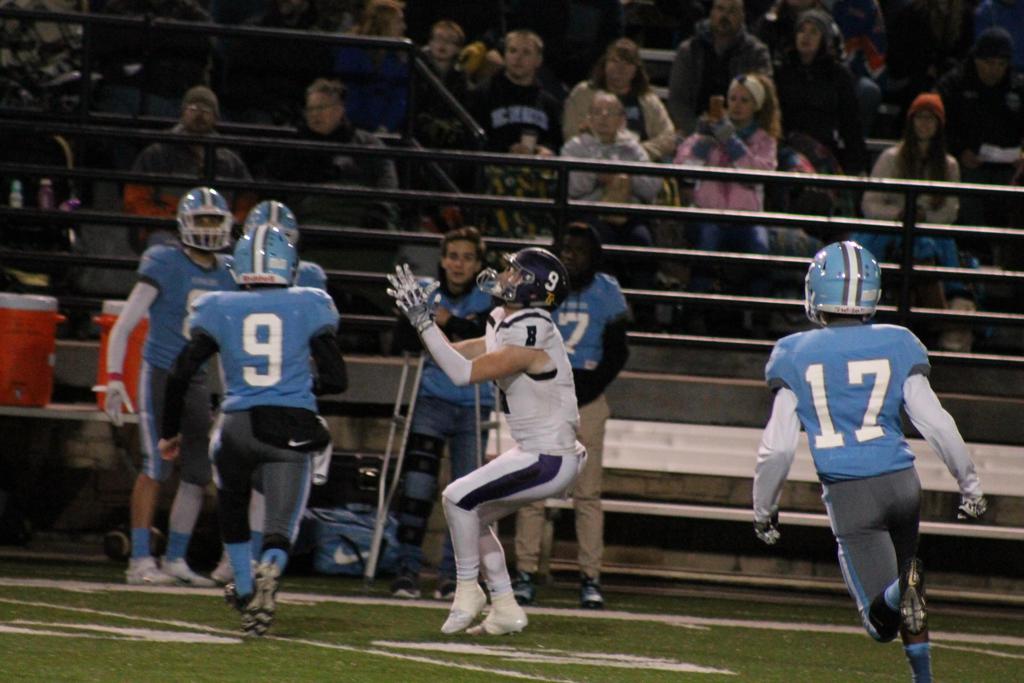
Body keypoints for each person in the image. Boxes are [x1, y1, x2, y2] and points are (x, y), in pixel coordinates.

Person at [752, 240, 988, 683]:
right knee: (908, 593)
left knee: (881, 621)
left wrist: (764, 510)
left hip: (852, 493)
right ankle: (923, 677)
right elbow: (936, 423)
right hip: (903, 483)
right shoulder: (898, 342)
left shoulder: (794, 352)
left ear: (816, 292)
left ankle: (904, 587)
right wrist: (970, 485)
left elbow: (777, 447)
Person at [158, 225, 347, 636]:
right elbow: (337, 379)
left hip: (234, 426)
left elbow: (180, 373)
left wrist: (169, 432)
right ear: (289, 266)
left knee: (232, 506)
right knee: (281, 525)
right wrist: (300, 387)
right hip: (289, 426)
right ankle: (270, 569)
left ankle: (243, 587)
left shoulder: (218, 306)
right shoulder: (310, 303)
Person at [385, 247, 585, 636]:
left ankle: (467, 589)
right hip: (536, 451)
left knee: (456, 498)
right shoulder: (505, 317)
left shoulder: (533, 328)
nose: (505, 275)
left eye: (516, 272)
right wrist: (424, 325)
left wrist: (425, 323)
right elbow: (458, 354)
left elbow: (462, 374)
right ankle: (505, 606)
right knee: (470, 514)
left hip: (549, 456)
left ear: (533, 289)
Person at [103, 187, 237, 587]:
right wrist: (113, 378)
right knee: (155, 466)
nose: (208, 228)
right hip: (161, 373)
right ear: (184, 224)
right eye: (202, 220)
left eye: (215, 220)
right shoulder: (164, 261)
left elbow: (228, 340)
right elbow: (125, 324)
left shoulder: (229, 271)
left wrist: (232, 391)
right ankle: (139, 560)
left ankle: (176, 558)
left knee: (197, 471)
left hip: (196, 380)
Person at [208, 199, 328, 585]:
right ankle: (264, 564)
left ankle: (243, 572)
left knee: (236, 487)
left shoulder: (228, 293)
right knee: (282, 495)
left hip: (245, 405)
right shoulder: (309, 293)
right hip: (285, 404)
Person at [512, 222, 629, 609]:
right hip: (543, 398)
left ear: (593, 256)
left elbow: (618, 351)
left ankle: (590, 577)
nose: (570, 256)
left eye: (578, 250)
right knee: (532, 490)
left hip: (587, 401)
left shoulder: (606, 291)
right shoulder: (541, 288)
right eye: (565, 249)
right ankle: (525, 572)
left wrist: (587, 389)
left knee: (587, 494)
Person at [389, 227, 496, 601]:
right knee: (417, 489)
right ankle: (406, 569)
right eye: (453, 256)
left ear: (478, 264)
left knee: (465, 496)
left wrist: (446, 322)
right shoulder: (427, 293)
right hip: (432, 401)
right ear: (443, 259)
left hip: (473, 404)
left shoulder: (490, 297)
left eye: (467, 258)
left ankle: (455, 576)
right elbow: (401, 340)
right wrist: (425, 318)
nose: (458, 265)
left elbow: (489, 339)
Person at [855, 93, 975, 351]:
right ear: (911, 122)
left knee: (929, 245)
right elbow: (870, 202)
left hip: (930, 233)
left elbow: (950, 210)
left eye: (931, 119)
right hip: (890, 230)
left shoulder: (949, 165)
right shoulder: (890, 158)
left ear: (939, 125)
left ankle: (936, 314)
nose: (924, 124)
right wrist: (900, 214)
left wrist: (923, 216)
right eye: (920, 118)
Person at [674, 73, 779, 302]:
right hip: (708, 214)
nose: (737, 105)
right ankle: (695, 308)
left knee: (760, 249)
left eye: (744, 100)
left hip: (747, 218)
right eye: (732, 99)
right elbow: (684, 170)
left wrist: (729, 140)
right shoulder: (703, 133)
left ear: (756, 106)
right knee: (707, 240)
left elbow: (756, 175)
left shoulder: (764, 140)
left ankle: (760, 313)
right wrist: (704, 142)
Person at [123, 86, 254, 249]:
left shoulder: (230, 160)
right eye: (193, 108)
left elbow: (247, 203)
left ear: (215, 118)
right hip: (168, 230)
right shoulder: (157, 153)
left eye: (206, 110)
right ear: (183, 112)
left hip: (217, 233)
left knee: (238, 251)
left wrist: (227, 224)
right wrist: (172, 221)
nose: (199, 114)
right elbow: (135, 200)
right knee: (162, 248)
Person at [263, 78, 399, 231]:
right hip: (309, 219)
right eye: (310, 109)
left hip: (360, 216)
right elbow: (272, 182)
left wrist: (380, 209)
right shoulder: (292, 148)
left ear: (339, 110)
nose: (315, 114)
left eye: (321, 108)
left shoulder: (368, 143)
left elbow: (387, 179)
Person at [561, 91, 661, 288]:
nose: (603, 117)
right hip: (589, 213)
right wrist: (596, 175)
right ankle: (606, 301)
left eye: (610, 112)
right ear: (589, 118)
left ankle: (643, 303)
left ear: (622, 120)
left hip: (627, 213)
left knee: (642, 242)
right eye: (597, 112)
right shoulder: (574, 148)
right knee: (601, 240)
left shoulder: (633, 149)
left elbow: (652, 187)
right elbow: (570, 187)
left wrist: (626, 176)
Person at [938, 27, 1024, 235]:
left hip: (1009, 167)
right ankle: (973, 244)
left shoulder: (1017, 87)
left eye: (1001, 64)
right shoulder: (954, 84)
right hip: (966, 164)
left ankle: (1010, 246)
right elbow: (938, 126)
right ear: (976, 59)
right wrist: (959, 151)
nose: (995, 70)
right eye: (989, 63)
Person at [773, 9, 867, 175]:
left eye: (813, 32)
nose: (806, 36)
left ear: (824, 39)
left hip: (823, 149)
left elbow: (851, 124)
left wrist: (855, 166)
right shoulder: (782, 72)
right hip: (787, 150)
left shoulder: (838, 75)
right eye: (802, 31)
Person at [562, 37, 677, 162]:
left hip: (639, 163)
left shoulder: (648, 99)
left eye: (627, 63)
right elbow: (571, 131)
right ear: (604, 64)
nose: (620, 68)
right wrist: (607, 152)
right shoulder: (583, 93)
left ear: (636, 70)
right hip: (592, 161)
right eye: (614, 61)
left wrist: (636, 152)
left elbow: (668, 136)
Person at [667, 0, 773, 135]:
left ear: (742, 16)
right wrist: (696, 132)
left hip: (743, 134)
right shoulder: (689, 50)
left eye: (732, 11)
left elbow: (763, 98)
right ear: (711, 13)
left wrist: (731, 135)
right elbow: (677, 100)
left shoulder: (756, 52)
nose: (724, 16)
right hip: (693, 131)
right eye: (720, 9)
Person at [333, 0, 410, 134]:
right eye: (399, 21)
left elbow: (400, 97)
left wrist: (385, 127)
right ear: (384, 24)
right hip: (352, 128)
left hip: (386, 130)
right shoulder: (352, 51)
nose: (404, 27)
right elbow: (349, 92)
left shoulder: (401, 56)